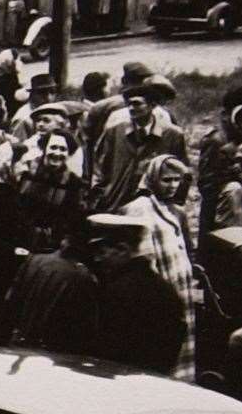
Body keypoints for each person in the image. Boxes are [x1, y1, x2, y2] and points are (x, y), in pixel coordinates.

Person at [119, 154, 199, 381]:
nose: (172, 185)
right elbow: (143, 256)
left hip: (182, 290)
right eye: (166, 180)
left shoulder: (177, 211)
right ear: (153, 179)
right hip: (161, 290)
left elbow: (187, 249)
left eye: (177, 180)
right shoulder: (140, 209)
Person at [83, 213, 186, 374]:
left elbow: (105, 351)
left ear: (123, 249)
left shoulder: (116, 291)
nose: (96, 259)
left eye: (101, 252)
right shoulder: (165, 289)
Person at [89, 76, 186, 213]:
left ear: (152, 105)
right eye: (128, 104)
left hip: (156, 206)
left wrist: (175, 205)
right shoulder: (115, 131)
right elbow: (99, 167)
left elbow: (182, 172)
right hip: (116, 202)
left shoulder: (172, 135)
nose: (131, 108)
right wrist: (101, 194)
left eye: (137, 104)